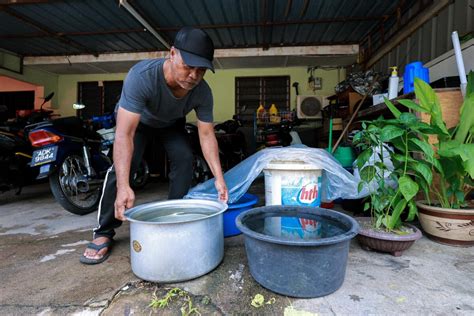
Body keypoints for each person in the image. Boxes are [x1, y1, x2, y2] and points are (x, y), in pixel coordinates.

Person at [80, 27, 228, 265]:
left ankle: (173, 217)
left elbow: (207, 134)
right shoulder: (142, 76)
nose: (193, 75)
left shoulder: (202, 92)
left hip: (170, 124)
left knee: (184, 158)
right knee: (123, 169)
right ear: (172, 53)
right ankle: (104, 231)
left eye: (200, 71)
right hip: (139, 123)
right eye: (188, 66)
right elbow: (124, 134)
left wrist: (219, 177)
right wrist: (124, 187)